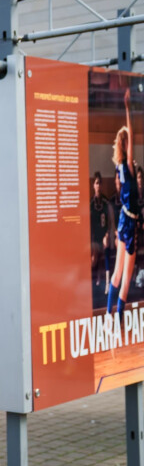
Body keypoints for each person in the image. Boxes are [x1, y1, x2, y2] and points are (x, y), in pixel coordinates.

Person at [109, 88, 136, 314]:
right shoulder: (127, 165)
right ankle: (116, 324)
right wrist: (127, 108)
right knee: (125, 279)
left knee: (118, 274)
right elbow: (132, 137)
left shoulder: (119, 167)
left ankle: (109, 316)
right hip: (130, 222)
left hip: (123, 219)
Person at [90, 171, 111, 289]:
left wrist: (107, 234)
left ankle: (107, 282)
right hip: (94, 237)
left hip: (104, 236)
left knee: (105, 244)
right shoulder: (90, 204)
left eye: (100, 183)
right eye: (96, 183)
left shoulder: (105, 202)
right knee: (93, 255)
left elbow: (109, 222)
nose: (98, 186)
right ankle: (94, 279)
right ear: (93, 185)